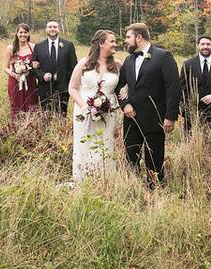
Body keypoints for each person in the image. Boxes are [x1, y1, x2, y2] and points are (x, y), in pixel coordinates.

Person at [116, 22, 181, 186]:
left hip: (155, 118)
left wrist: (170, 116)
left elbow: (173, 87)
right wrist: (125, 105)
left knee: (154, 157)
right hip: (131, 119)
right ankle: (131, 187)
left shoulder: (163, 56)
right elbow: (120, 85)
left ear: (139, 37)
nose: (126, 41)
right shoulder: (129, 60)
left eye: (128, 37)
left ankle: (155, 188)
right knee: (131, 156)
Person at [68, 30, 121, 183]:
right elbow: (72, 88)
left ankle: (105, 179)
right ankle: (83, 180)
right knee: (85, 142)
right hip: (84, 112)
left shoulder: (116, 65)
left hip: (108, 114)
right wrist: (85, 106)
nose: (115, 44)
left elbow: (128, 84)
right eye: (111, 41)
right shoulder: (85, 63)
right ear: (101, 43)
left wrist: (125, 90)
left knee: (105, 142)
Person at [179, 35, 211, 139]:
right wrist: (184, 110)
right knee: (190, 142)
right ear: (198, 46)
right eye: (202, 44)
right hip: (192, 112)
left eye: (208, 44)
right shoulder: (188, 64)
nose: (205, 46)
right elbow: (182, 89)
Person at [31, 20, 78, 115]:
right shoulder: (38, 46)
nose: (52, 29)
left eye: (55, 27)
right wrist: (42, 76)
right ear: (46, 29)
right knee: (45, 117)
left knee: (61, 116)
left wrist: (67, 82)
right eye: (50, 27)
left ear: (58, 29)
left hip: (63, 89)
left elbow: (74, 68)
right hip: (44, 88)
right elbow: (34, 68)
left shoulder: (68, 45)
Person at [3, 23, 38, 119]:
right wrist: (14, 75)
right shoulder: (10, 48)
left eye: (25, 32)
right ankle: (16, 127)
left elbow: (37, 64)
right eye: (21, 32)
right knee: (16, 106)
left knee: (31, 104)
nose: (23, 35)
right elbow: (5, 67)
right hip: (15, 81)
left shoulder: (34, 47)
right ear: (17, 34)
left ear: (29, 34)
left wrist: (36, 65)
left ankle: (31, 126)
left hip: (30, 81)